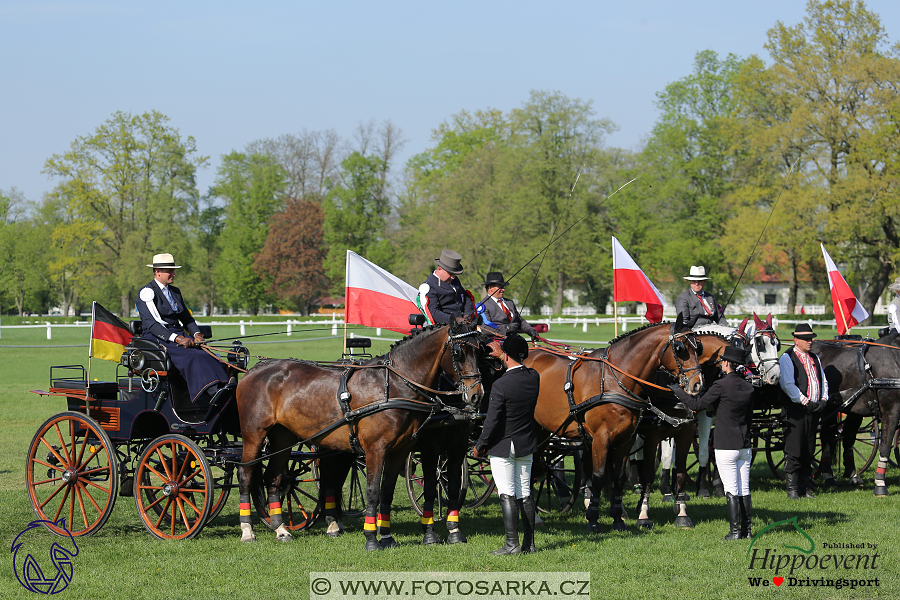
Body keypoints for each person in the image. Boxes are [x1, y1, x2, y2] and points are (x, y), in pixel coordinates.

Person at [670, 345, 755, 540]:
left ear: (726, 363)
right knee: (744, 489)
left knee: (732, 490)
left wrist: (677, 390)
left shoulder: (721, 385)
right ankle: (747, 531)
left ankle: (734, 532)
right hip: (744, 445)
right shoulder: (748, 387)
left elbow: (697, 404)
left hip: (726, 445)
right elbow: (749, 419)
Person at [473, 334, 540, 555]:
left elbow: (491, 422)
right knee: (524, 493)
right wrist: (504, 354)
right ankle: (528, 544)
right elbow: (514, 363)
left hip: (504, 445)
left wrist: (480, 445)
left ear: (507, 355)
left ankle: (512, 545)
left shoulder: (501, 385)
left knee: (507, 493)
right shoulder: (534, 377)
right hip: (525, 443)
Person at [137, 253, 230, 406]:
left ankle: (223, 387)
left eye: (173, 270)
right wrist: (178, 338)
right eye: (169, 271)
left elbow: (186, 318)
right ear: (157, 271)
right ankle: (211, 394)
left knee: (208, 353)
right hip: (158, 338)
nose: (173, 274)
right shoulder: (147, 293)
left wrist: (196, 334)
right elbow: (153, 324)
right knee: (195, 356)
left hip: (178, 334)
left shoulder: (175, 292)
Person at [778, 324, 828, 499]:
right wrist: (805, 402)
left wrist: (823, 399)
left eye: (811, 338)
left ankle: (806, 486)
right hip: (795, 411)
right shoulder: (787, 358)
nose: (810, 341)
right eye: (806, 339)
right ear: (795, 340)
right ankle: (792, 489)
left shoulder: (814, 357)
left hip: (813, 409)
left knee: (809, 448)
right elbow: (788, 385)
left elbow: (823, 379)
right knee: (794, 449)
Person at [419, 249, 475, 324]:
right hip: (443, 327)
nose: (453, 277)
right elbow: (434, 313)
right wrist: (455, 320)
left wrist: (467, 314)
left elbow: (466, 297)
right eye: (450, 274)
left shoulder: (455, 280)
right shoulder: (429, 286)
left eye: (454, 274)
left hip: (463, 324)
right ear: (439, 269)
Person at [478, 272, 538, 340]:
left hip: (514, 340)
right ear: (490, 288)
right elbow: (485, 328)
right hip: (496, 342)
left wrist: (531, 331)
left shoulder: (509, 303)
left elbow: (520, 321)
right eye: (500, 287)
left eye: (504, 287)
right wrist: (506, 328)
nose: (504, 289)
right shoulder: (483, 305)